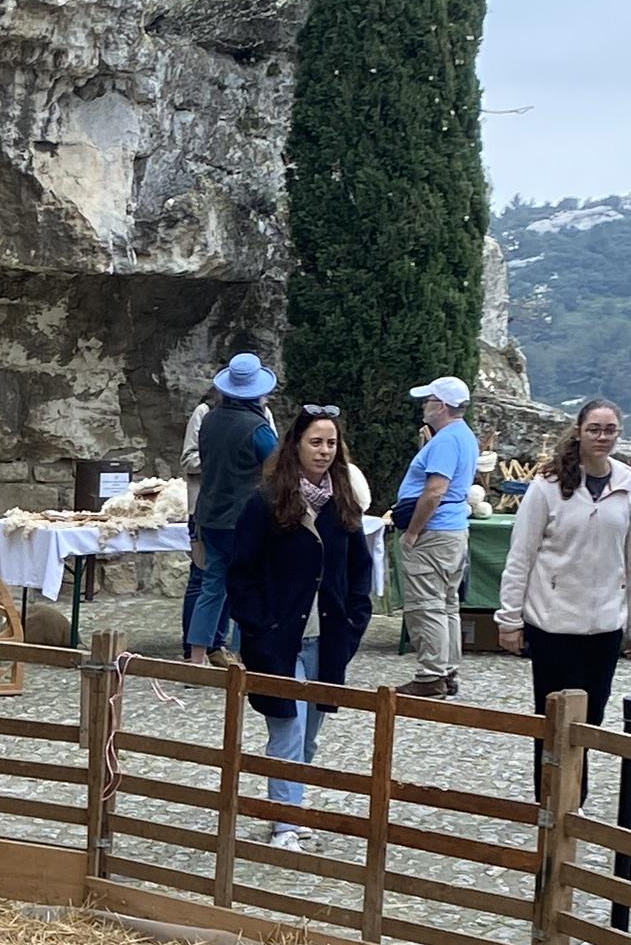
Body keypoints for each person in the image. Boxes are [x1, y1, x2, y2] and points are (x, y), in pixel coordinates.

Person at [220, 404, 376, 849]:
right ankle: (284, 822)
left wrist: (352, 625)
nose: (324, 451)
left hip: (325, 640)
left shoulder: (344, 504)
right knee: (287, 729)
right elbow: (241, 573)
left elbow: (359, 571)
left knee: (309, 734)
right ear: (296, 445)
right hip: (278, 641)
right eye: (315, 442)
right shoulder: (266, 502)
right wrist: (259, 626)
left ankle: (293, 805)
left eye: (331, 443)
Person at [494, 398, 631, 794]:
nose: (602, 437)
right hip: (552, 623)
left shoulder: (629, 487)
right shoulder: (546, 487)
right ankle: (550, 798)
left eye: (610, 430)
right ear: (579, 432)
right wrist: (509, 619)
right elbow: (521, 555)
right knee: (551, 719)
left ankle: (573, 796)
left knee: (591, 719)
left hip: (604, 626)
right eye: (594, 429)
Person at [183, 352, 279, 654]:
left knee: (211, 588)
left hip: (209, 514)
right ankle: (243, 658)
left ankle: (196, 658)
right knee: (247, 587)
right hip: (244, 518)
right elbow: (278, 468)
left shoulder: (209, 419)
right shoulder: (257, 428)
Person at [392, 374, 478, 696]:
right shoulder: (463, 436)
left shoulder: (446, 441)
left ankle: (430, 676)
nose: (423, 406)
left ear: (441, 406)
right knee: (447, 604)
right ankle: (448, 668)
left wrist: (413, 532)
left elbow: (434, 491)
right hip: (453, 531)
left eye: (428, 401)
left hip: (433, 532)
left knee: (425, 605)